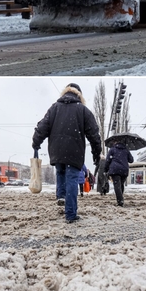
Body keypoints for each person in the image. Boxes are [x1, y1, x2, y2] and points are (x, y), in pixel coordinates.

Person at [32, 83, 102, 224]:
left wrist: (36, 143)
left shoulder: (54, 108)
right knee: (72, 179)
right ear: (79, 95)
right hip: (74, 151)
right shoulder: (82, 110)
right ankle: (70, 214)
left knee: (61, 173)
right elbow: (94, 135)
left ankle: (61, 196)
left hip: (57, 151)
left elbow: (42, 127)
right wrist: (96, 153)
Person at [104, 142, 134, 207]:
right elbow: (131, 160)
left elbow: (107, 160)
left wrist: (106, 169)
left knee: (117, 185)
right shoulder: (126, 150)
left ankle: (120, 201)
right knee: (121, 184)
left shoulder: (112, 149)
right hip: (124, 170)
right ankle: (121, 199)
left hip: (115, 169)